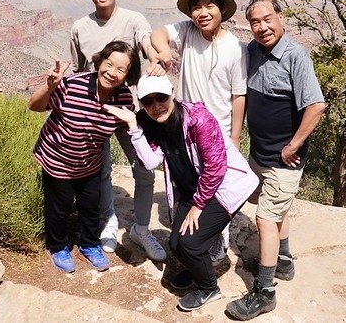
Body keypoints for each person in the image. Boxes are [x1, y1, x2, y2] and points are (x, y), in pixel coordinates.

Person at [104, 75, 258, 312]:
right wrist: (134, 127)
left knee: (189, 244)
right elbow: (150, 161)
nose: (156, 106)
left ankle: (209, 288)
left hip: (223, 188)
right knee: (176, 244)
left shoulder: (198, 119)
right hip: (193, 189)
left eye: (161, 98)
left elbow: (215, 168)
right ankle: (199, 267)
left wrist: (198, 206)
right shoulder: (150, 122)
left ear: (172, 93)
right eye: (148, 101)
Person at [226, 0, 326, 320]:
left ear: (280, 18)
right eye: (255, 22)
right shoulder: (252, 52)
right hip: (260, 155)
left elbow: (316, 106)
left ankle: (264, 292)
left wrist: (294, 144)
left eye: (267, 19)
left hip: (284, 160)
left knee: (265, 219)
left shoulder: (296, 56)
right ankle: (282, 261)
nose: (262, 27)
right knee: (273, 207)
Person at [70, 0, 166, 261]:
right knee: (100, 170)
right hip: (93, 109)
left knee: (144, 167)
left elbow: (147, 40)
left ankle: (140, 228)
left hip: (128, 108)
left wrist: (156, 56)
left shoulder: (133, 19)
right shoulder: (79, 27)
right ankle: (108, 221)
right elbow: (76, 71)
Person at [150, 0, 248, 263]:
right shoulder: (187, 31)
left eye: (208, 5)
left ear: (222, 10)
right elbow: (158, 33)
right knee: (189, 183)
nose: (202, 12)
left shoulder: (235, 48)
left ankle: (220, 242)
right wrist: (165, 51)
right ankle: (191, 234)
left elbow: (239, 95)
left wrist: (236, 136)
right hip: (185, 129)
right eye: (196, 6)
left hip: (218, 132)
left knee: (217, 189)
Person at [29, 40, 142, 273]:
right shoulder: (71, 85)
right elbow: (34, 106)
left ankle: (89, 244)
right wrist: (50, 86)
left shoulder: (122, 98)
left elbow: (128, 125)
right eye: (109, 64)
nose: (112, 73)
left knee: (90, 207)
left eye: (121, 69)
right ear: (99, 61)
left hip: (89, 162)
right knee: (58, 207)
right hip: (57, 159)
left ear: (128, 74)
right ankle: (58, 246)